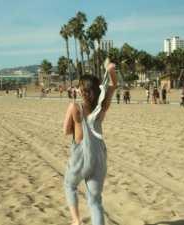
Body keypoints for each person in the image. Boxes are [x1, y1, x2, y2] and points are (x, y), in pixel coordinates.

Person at [63, 59, 117, 225]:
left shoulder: (74, 107)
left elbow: (65, 131)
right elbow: (113, 85)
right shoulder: (101, 108)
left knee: (69, 185)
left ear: (82, 90)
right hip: (97, 156)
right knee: (95, 202)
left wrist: (77, 127)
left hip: (80, 156)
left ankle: (76, 220)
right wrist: (111, 70)